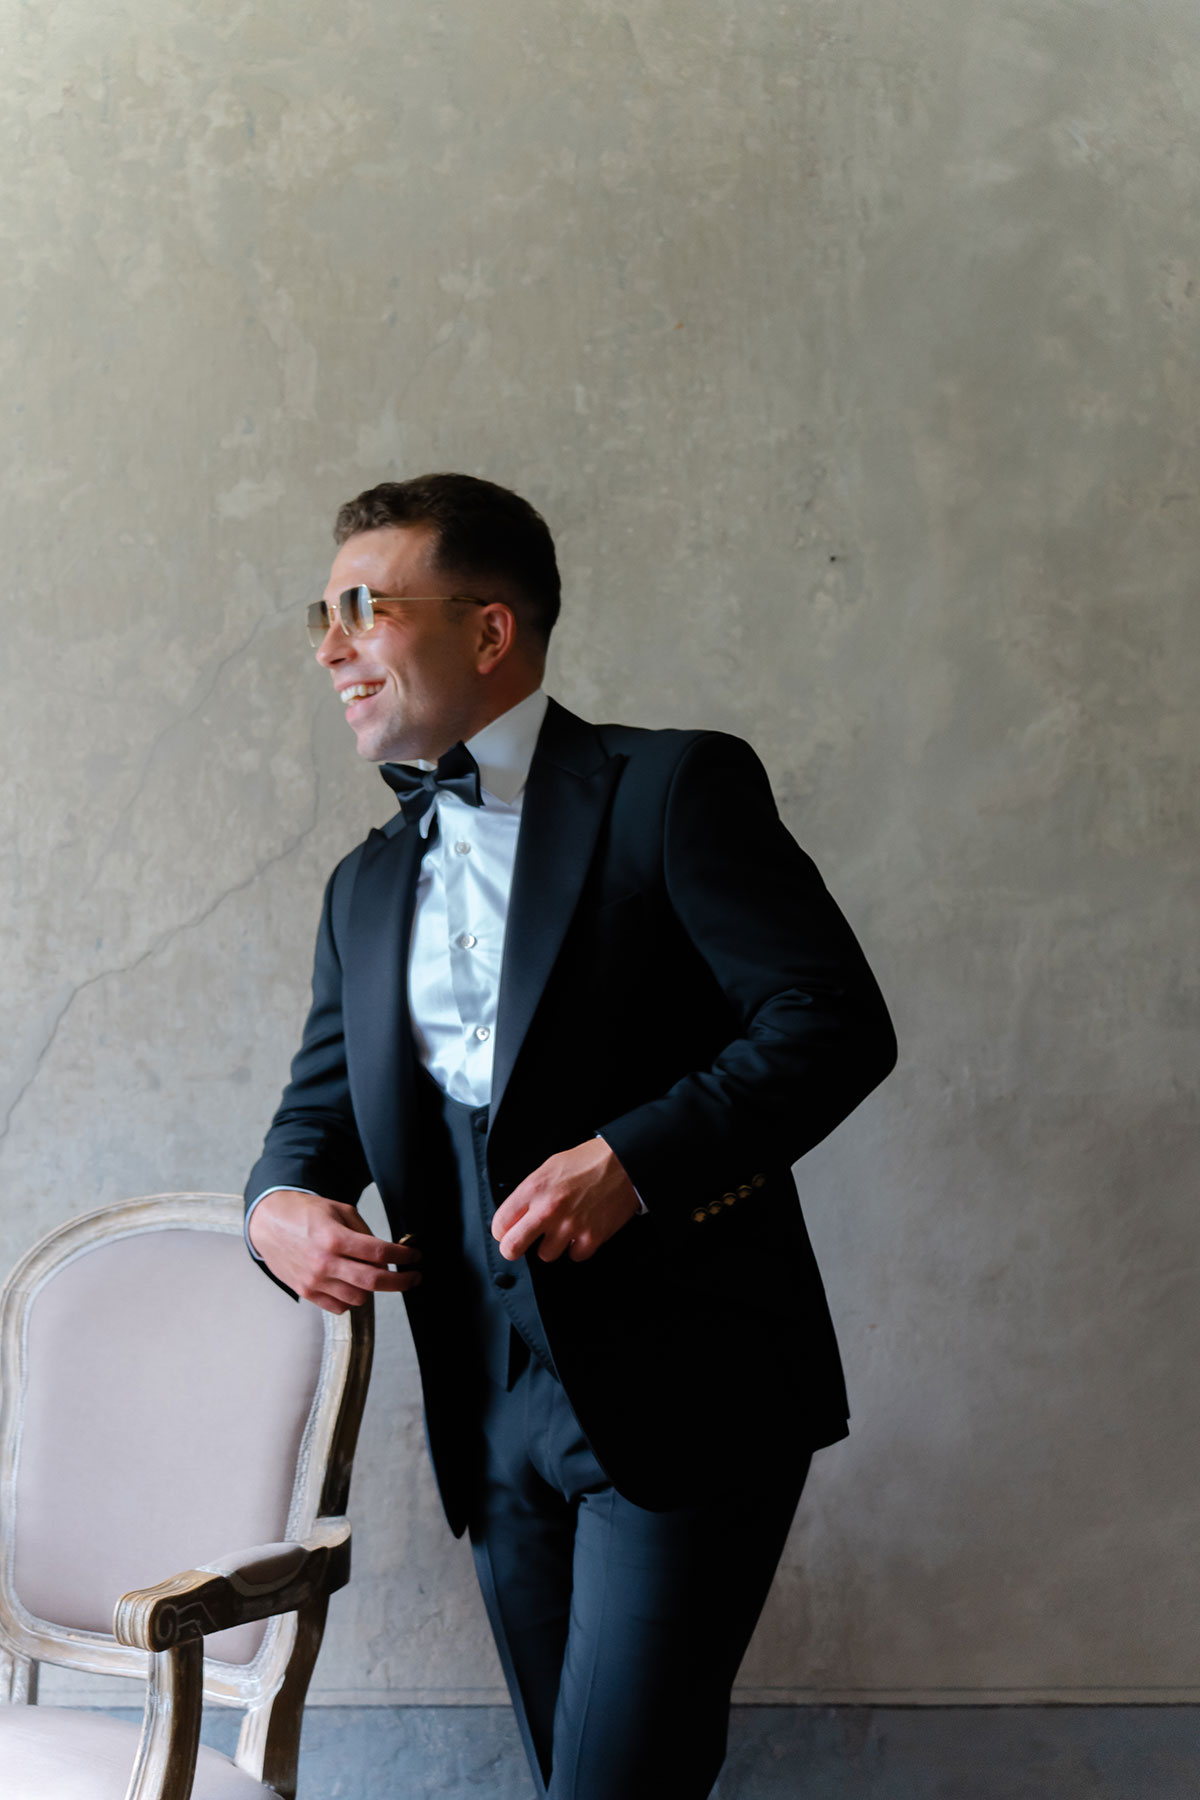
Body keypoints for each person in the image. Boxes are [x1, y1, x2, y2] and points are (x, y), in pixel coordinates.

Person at [245, 472, 897, 1800]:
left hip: (686, 1392)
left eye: (364, 608)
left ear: (489, 631)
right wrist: (276, 1212)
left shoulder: (672, 788)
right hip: (488, 1422)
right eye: (323, 612)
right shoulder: (362, 889)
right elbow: (309, 1133)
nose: (330, 648)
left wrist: (635, 1161)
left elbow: (829, 1020)